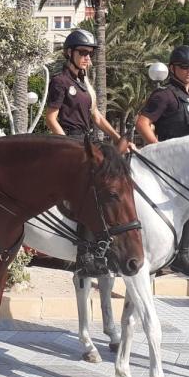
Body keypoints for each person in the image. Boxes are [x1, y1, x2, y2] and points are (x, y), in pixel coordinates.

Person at [45, 28, 129, 276]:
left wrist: (118, 138)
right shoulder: (60, 81)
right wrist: (65, 144)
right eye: (82, 52)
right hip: (70, 142)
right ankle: (84, 254)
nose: (87, 58)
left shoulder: (83, 85)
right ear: (69, 53)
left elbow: (96, 117)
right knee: (90, 189)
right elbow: (51, 117)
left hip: (86, 142)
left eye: (90, 54)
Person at [135, 45, 189, 277]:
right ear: (172, 68)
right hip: (173, 167)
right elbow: (142, 123)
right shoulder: (165, 95)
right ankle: (181, 255)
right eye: (184, 67)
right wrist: (158, 150)